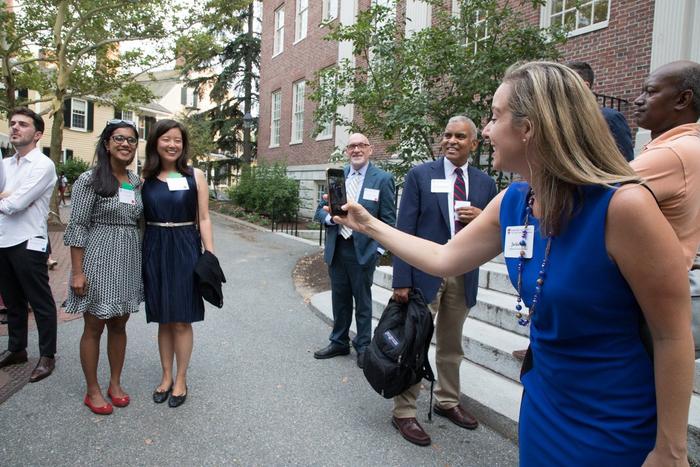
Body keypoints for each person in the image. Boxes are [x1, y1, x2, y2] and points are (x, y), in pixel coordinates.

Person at [330, 62, 693, 466]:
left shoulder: (625, 208)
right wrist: (368, 224)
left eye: (495, 116)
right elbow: (443, 257)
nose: (485, 130)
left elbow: (672, 335)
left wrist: (670, 449)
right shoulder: (514, 203)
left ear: (530, 127)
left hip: (611, 419)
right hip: (542, 404)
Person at [390, 116, 497, 446]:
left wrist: (482, 218)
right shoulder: (421, 175)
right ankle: (404, 412)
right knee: (415, 343)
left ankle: (448, 400)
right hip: (424, 275)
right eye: (447, 135)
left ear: (473, 144)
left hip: (463, 276)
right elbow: (403, 231)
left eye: (460, 136)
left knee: (452, 345)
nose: (451, 140)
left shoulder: (485, 184)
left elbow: (493, 229)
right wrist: (402, 279)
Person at [63, 120, 143, 415]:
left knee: (120, 324)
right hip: (98, 258)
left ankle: (115, 383)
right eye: (119, 138)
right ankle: (92, 389)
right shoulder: (90, 179)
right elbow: (78, 227)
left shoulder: (136, 183)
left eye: (132, 140)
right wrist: (77, 271)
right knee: (94, 325)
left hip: (127, 261)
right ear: (107, 144)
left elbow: (140, 223)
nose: (126, 144)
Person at [141, 119, 213, 408]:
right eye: (166, 139)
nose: (172, 144)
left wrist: (210, 255)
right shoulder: (144, 177)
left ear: (183, 145)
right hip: (155, 246)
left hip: (185, 245)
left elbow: (204, 218)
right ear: (156, 142)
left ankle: (181, 378)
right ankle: (166, 375)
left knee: (182, 318)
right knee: (163, 318)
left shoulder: (195, 175)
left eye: (178, 140)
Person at [313, 133, 396, 367]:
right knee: (339, 299)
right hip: (338, 248)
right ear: (347, 151)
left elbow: (389, 220)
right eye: (352, 146)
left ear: (370, 150)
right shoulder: (337, 177)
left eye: (361, 145)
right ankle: (339, 341)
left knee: (362, 301)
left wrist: (378, 251)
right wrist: (330, 219)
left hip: (364, 251)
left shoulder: (382, 179)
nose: (356, 150)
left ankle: (363, 346)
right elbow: (320, 210)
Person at [0, 108, 58, 382]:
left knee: (40, 301)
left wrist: (10, 197)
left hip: (29, 242)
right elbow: (10, 201)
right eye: (12, 123)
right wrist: (9, 196)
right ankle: (16, 349)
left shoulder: (43, 165)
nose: (15, 128)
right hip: (3, 241)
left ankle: (47, 356)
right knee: (12, 302)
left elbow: (15, 205)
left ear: (37, 134)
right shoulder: (6, 164)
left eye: (22, 124)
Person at [631, 60, 700, 269]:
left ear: (682, 99)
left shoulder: (671, 153)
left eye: (650, 92)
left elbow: (592, 196)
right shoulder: (687, 145)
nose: (637, 100)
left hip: (649, 284)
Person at [566, 61, 635, 161]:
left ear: (584, 86)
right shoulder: (557, 119)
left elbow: (625, 162)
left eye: (564, 83)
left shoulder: (610, 118)